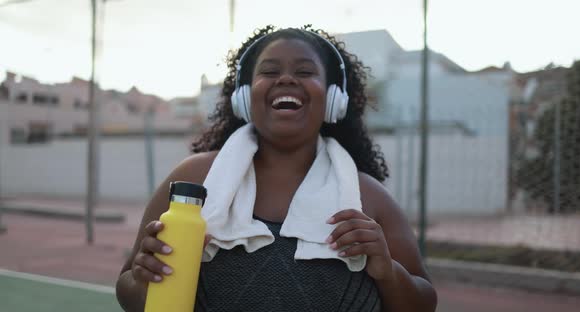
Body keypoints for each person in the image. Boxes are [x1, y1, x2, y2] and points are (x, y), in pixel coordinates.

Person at [116, 25, 437, 312]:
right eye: (269, 71)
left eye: (305, 71)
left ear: (334, 98)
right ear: (243, 96)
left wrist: (388, 271)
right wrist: (146, 278)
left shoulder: (369, 196)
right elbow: (129, 292)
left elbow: (424, 303)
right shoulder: (193, 181)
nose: (286, 78)